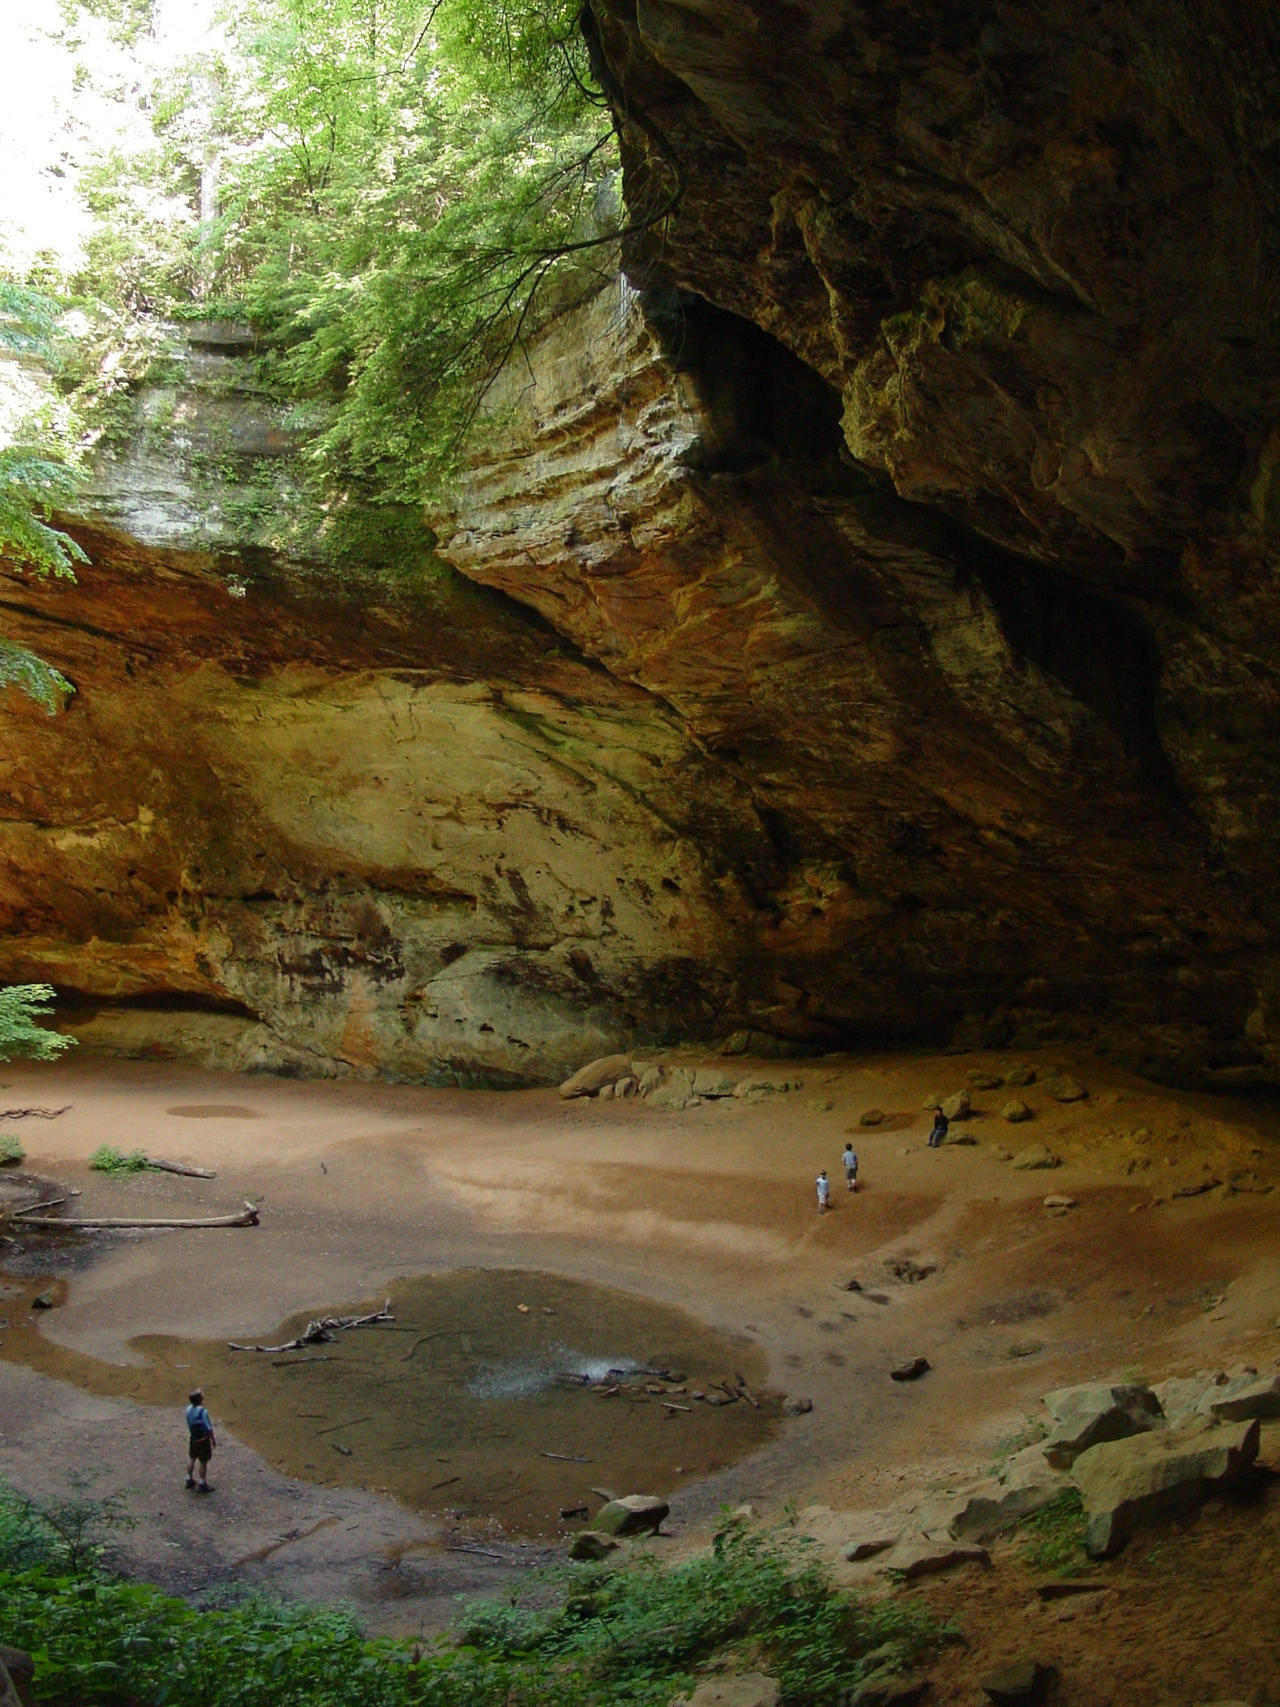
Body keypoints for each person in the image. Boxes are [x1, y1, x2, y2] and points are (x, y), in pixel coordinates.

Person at [185, 1389, 216, 1491]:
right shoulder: (203, 1412)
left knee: (192, 1457)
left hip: (193, 1438)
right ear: (199, 1399)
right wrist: (213, 1439)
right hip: (202, 1440)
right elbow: (208, 1428)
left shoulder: (188, 1409)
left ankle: (189, 1479)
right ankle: (202, 1483)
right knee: (203, 1461)